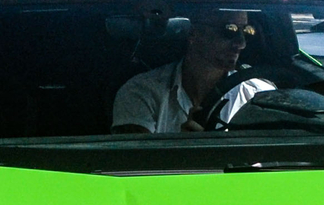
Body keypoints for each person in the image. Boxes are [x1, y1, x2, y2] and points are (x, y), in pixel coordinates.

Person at [111, 8, 262, 134]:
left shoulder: (258, 95)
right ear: (193, 33)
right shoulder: (141, 92)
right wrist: (183, 149)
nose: (241, 43)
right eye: (230, 29)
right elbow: (137, 163)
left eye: (248, 31)